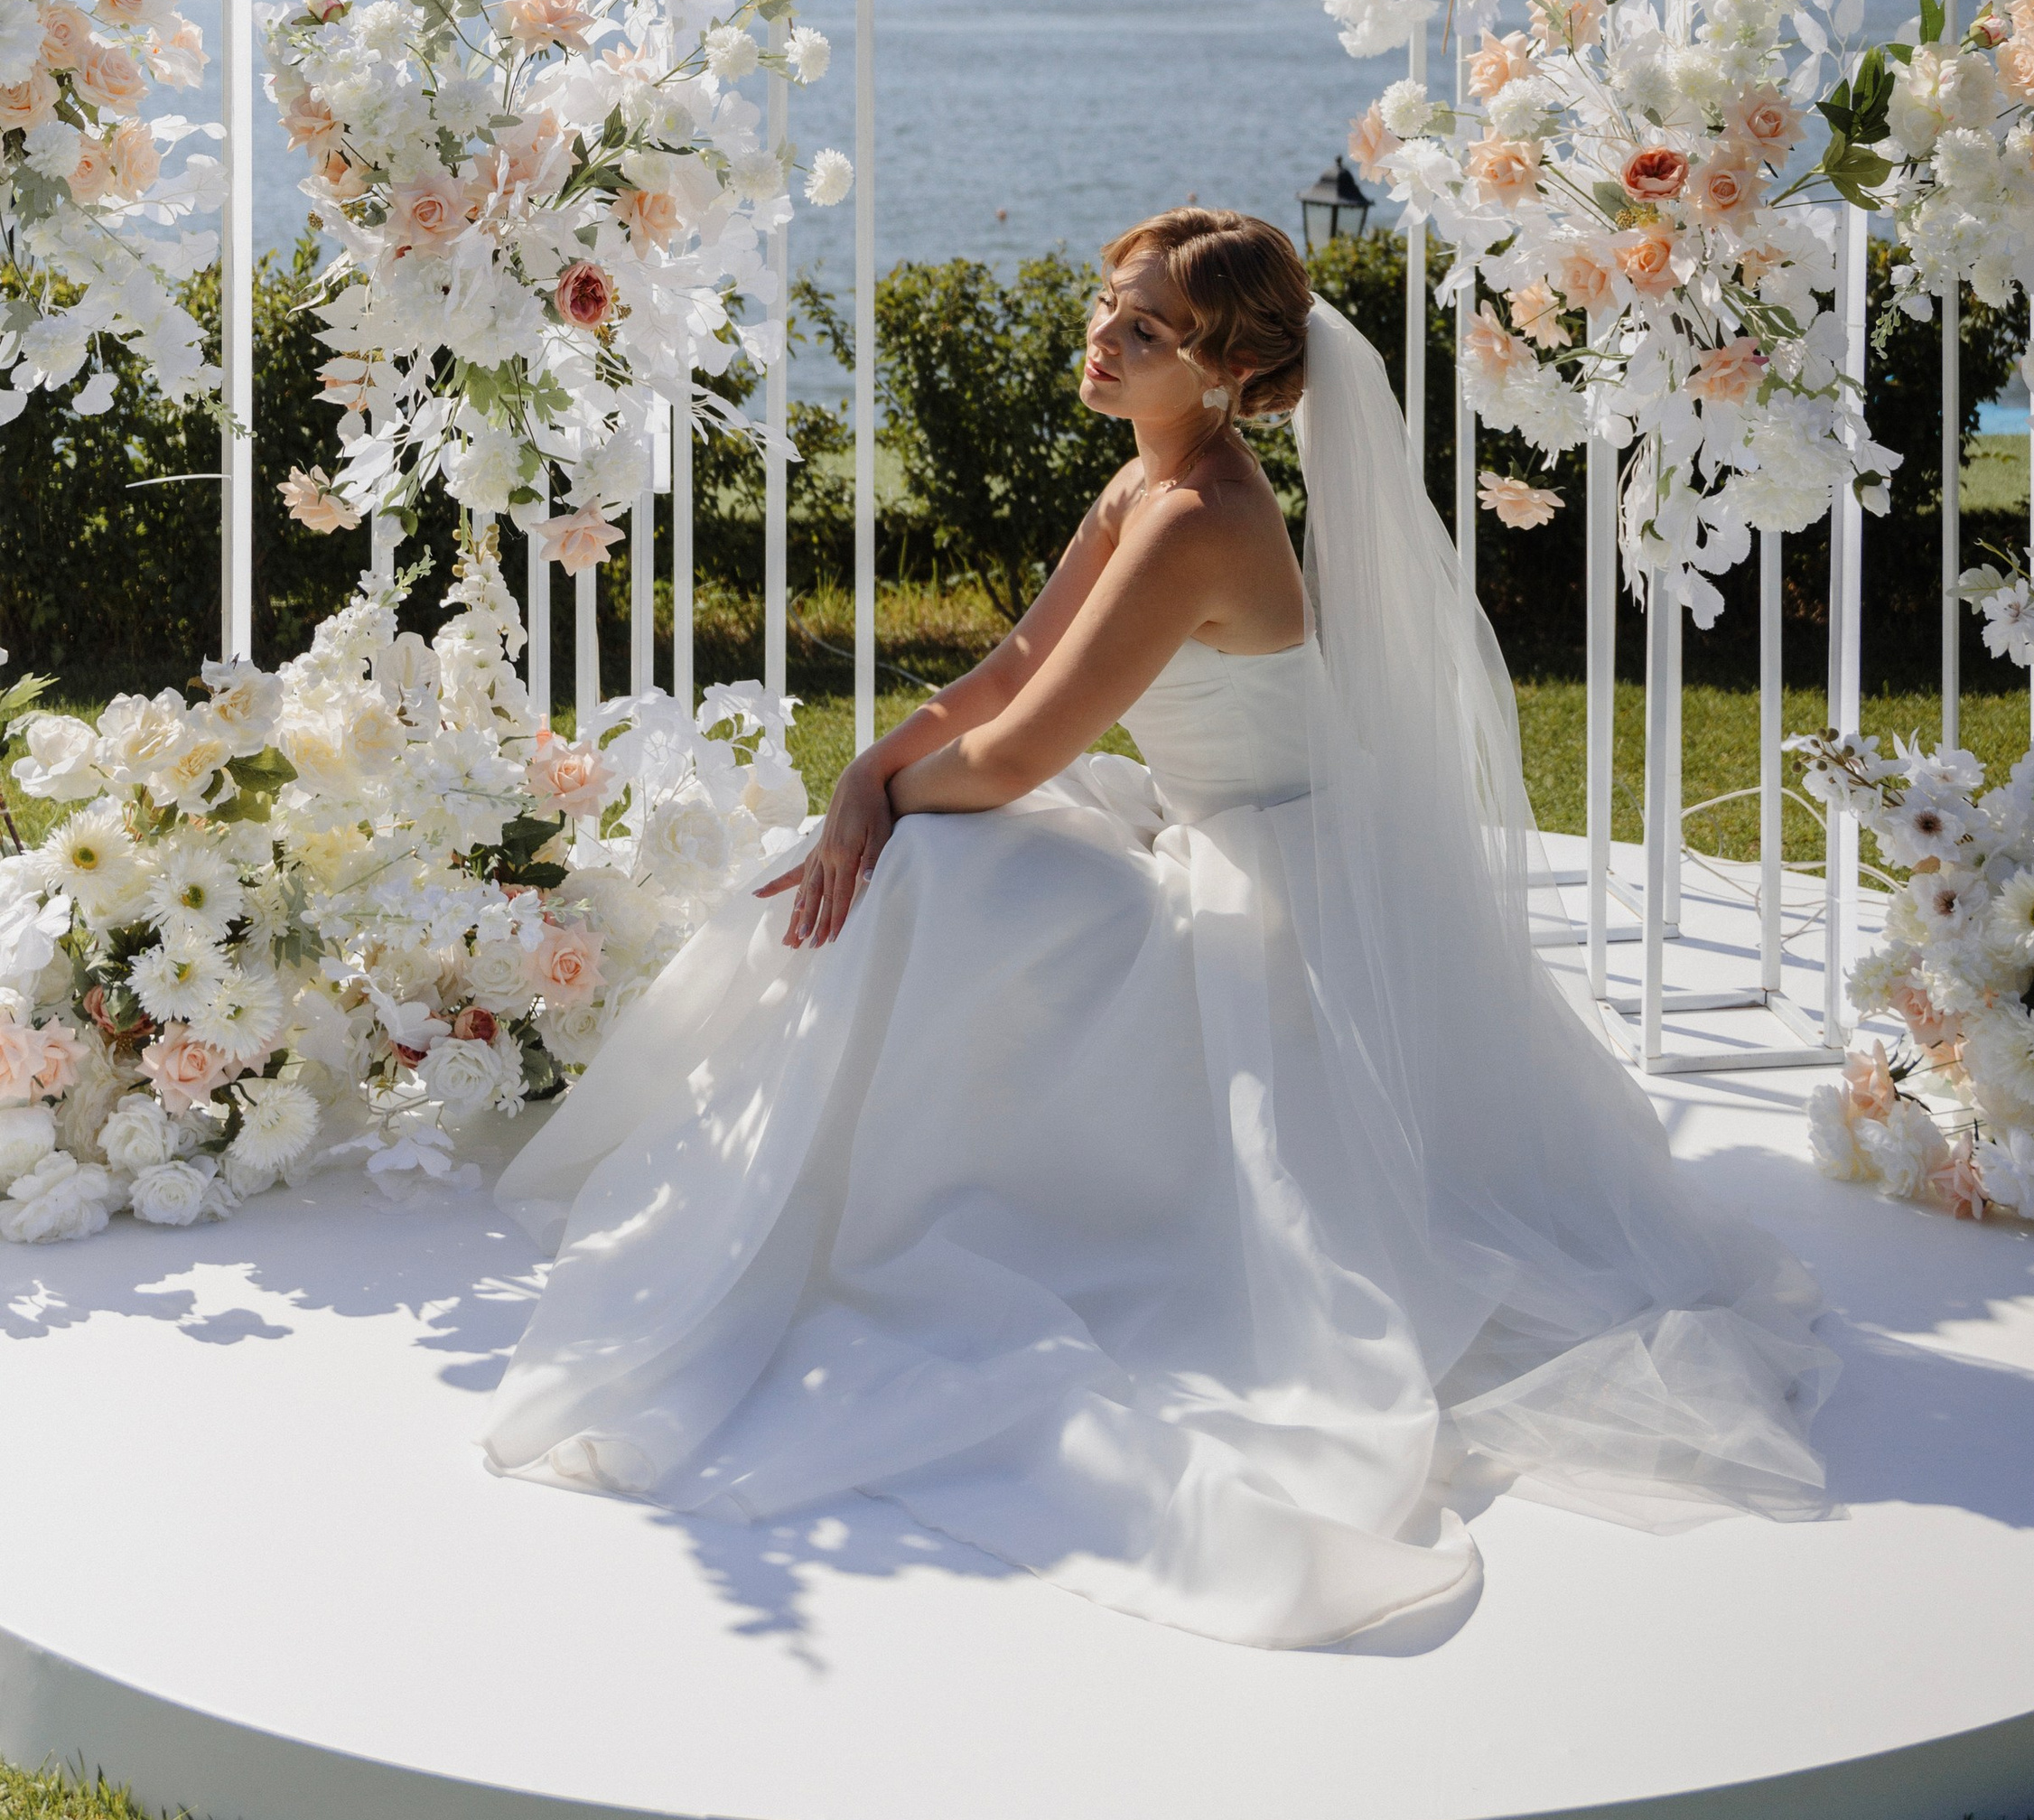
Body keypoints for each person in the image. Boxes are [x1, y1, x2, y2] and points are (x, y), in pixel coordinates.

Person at [481, 208, 1834, 1649]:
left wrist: (879, 813)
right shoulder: (1148, 482)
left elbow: (1013, 759)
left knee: (931, 873)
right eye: (1106, 307)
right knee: (905, 860)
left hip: (1267, 894)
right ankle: (826, 1198)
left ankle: (874, 1215)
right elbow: (1008, 669)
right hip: (1188, 829)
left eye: (1145, 331)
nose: (1102, 339)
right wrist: (871, 769)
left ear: (1229, 371)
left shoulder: (1201, 520)